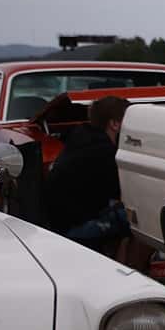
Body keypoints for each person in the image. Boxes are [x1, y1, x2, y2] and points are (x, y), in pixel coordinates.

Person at [46, 95, 142, 263]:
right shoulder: (104, 152)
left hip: (58, 226)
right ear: (115, 124)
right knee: (142, 220)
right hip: (76, 228)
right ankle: (135, 273)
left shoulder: (80, 139)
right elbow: (125, 194)